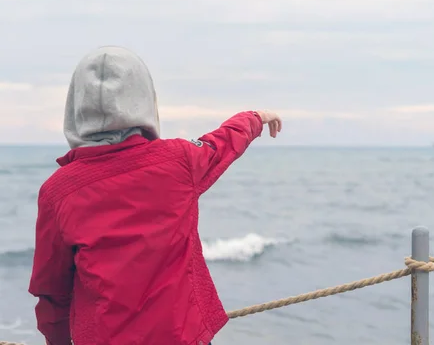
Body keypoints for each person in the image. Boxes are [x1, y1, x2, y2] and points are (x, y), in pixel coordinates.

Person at [28, 46, 282, 345]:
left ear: (76, 105)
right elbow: (221, 144)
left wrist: (57, 341)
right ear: (145, 99)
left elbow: (53, 290)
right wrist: (253, 118)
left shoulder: (58, 191)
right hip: (180, 336)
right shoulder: (180, 161)